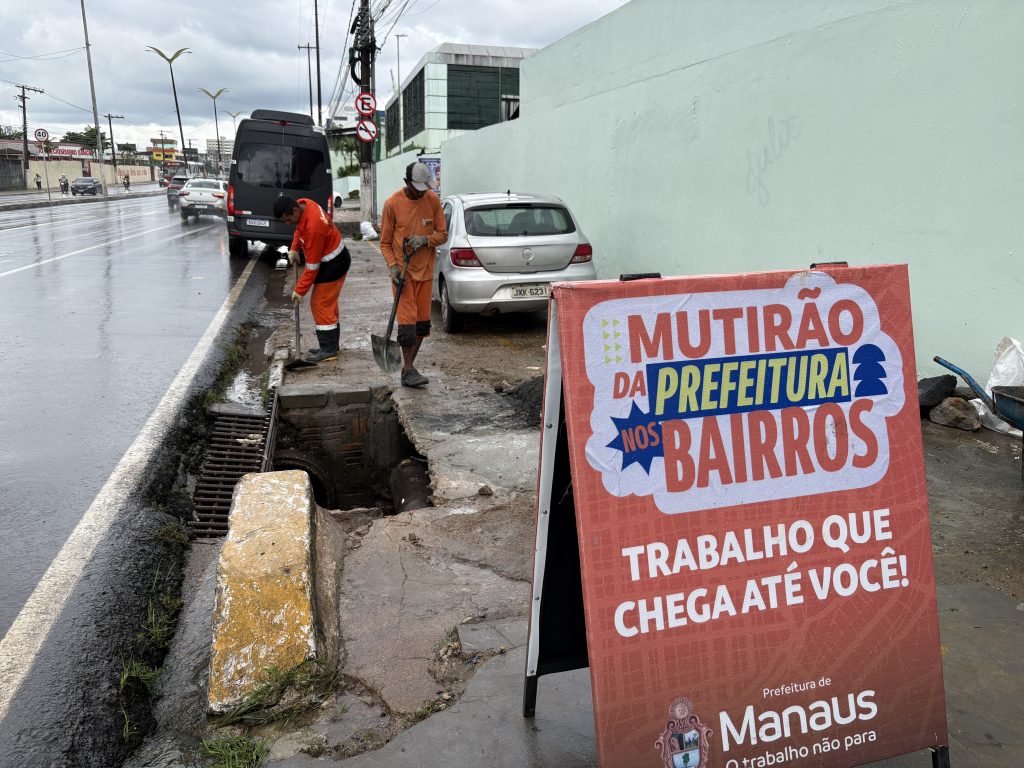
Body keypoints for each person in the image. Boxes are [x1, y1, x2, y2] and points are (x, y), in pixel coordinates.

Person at [379, 162, 448, 387]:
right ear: (406, 182)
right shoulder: (392, 204)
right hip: (404, 274)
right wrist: (393, 267)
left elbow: (443, 234)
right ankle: (408, 369)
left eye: (424, 188)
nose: (421, 192)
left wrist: (425, 240)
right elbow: (385, 243)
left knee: (421, 327)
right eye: (416, 187)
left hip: (426, 273)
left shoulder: (433, 201)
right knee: (407, 326)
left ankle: (408, 368)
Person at [273, 195, 350, 363]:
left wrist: (299, 291)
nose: (288, 223)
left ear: (294, 210)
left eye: (288, 219)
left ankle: (329, 349)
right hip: (331, 259)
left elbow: (312, 268)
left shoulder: (314, 227)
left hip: (334, 263)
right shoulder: (304, 204)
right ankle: (331, 345)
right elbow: (299, 229)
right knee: (327, 303)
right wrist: (294, 248)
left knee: (320, 303)